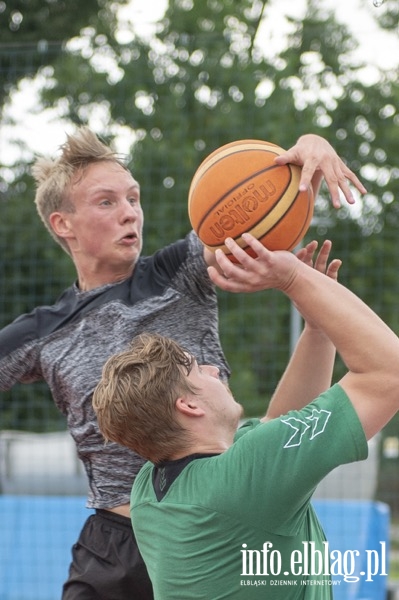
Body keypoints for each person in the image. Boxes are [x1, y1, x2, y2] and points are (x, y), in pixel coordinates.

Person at [0, 127, 365, 600]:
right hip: (116, 543)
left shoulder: (179, 271)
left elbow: (257, 218)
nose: (130, 211)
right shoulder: (43, 332)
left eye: (133, 198)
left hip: (212, 520)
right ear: (63, 223)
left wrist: (305, 154)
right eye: (107, 202)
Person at [92, 232, 399, 600]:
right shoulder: (241, 480)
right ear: (189, 406)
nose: (212, 369)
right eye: (195, 369)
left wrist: (319, 329)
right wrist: (291, 278)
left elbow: (281, 425)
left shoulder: (151, 488)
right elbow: (389, 374)